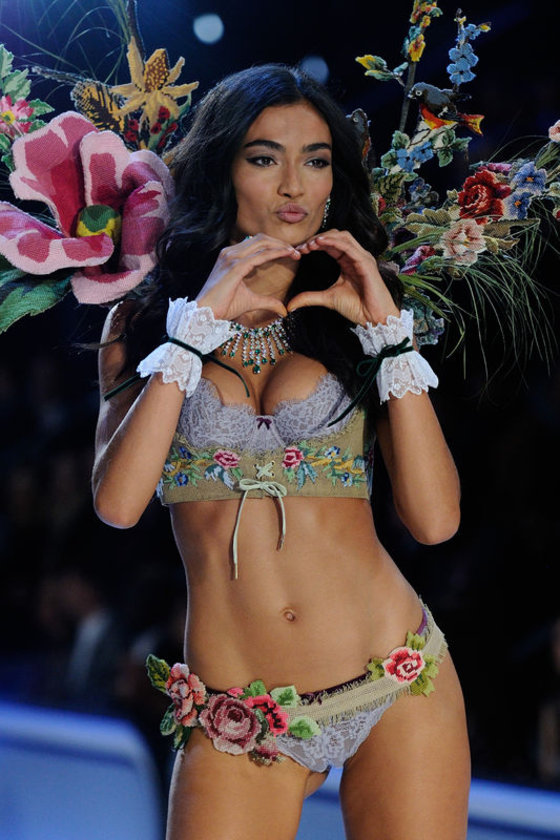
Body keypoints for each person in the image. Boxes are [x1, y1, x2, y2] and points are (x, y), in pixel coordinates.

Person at [92, 64, 470, 840]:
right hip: (240, 716)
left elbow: (434, 522)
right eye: (264, 158)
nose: (294, 184)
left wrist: (388, 338)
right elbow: (118, 504)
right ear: (223, 167)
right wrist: (194, 332)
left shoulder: (359, 310)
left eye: (316, 159)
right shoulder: (145, 320)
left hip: (395, 678)